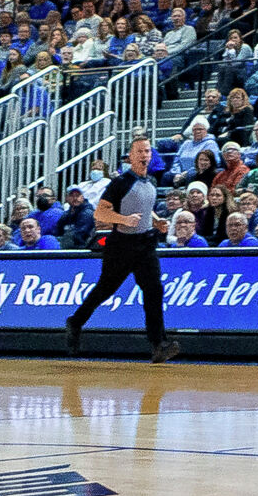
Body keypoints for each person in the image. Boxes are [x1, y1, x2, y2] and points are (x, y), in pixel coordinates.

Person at [64, 137, 178, 363]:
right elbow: (100, 214)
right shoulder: (120, 183)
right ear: (131, 156)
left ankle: (159, 344)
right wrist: (123, 219)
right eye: (140, 151)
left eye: (147, 151)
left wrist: (156, 221)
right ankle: (75, 322)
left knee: (154, 290)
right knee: (105, 290)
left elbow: (144, 208)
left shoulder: (152, 182)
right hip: (122, 245)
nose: (145, 155)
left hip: (145, 244)